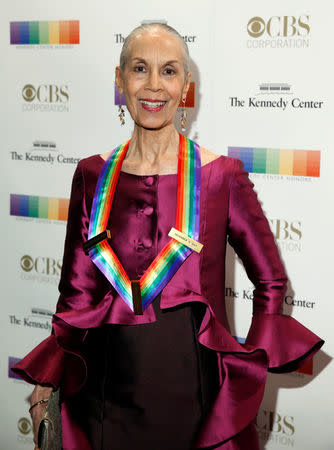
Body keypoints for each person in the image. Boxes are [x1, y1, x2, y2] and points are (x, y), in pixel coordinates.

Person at [13, 23, 324, 450]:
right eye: (140, 68)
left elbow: (270, 281)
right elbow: (75, 294)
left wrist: (245, 363)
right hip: (101, 395)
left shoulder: (221, 178)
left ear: (185, 87)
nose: (154, 85)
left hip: (194, 396)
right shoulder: (90, 175)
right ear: (119, 79)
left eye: (169, 71)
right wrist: (49, 379)